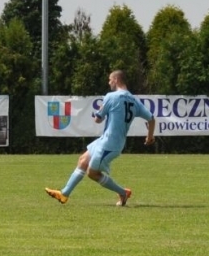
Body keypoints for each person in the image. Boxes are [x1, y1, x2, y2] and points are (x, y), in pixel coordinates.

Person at [45, 69, 156, 207]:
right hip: (108, 140)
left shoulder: (111, 96)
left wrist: (98, 115)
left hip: (110, 144)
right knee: (83, 160)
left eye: (110, 80)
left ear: (116, 80)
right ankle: (64, 194)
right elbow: (151, 119)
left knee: (92, 173)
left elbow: (98, 119)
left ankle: (123, 192)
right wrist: (149, 137)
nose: (109, 82)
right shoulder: (134, 100)